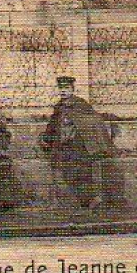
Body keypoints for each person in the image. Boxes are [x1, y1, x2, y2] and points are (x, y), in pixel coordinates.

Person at [40, 75, 114, 210]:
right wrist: (46, 138)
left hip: (79, 147)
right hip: (64, 148)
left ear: (72, 89)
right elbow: (53, 126)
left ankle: (92, 200)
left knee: (83, 173)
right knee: (68, 174)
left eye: (66, 88)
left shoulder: (81, 104)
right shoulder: (59, 107)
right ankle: (80, 202)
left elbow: (94, 121)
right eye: (61, 88)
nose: (63, 91)